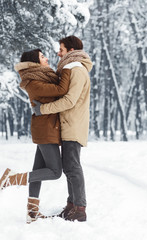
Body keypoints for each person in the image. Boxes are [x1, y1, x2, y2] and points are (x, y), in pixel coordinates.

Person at [0, 49, 75, 224]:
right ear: (35, 62)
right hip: (45, 130)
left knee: (38, 171)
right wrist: (69, 67)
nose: (46, 58)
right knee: (55, 172)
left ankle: (32, 213)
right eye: (42, 57)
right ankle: (12, 179)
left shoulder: (41, 77)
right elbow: (61, 89)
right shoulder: (33, 82)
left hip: (47, 129)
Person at [32, 36, 93, 222]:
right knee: (69, 167)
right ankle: (72, 206)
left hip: (73, 125)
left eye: (62, 49)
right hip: (68, 125)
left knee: (72, 167)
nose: (58, 53)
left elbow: (69, 101)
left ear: (71, 51)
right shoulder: (72, 68)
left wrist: (42, 110)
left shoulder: (76, 69)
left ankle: (80, 209)